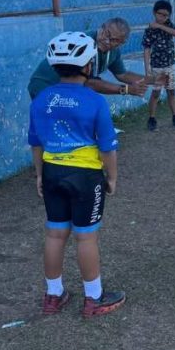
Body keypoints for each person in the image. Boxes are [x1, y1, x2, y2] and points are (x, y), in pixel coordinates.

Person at [28, 31, 126, 318]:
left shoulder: (41, 98)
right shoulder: (94, 100)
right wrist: (112, 177)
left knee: (55, 234)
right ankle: (94, 298)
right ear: (87, 65)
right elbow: (107, 147)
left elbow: (35, 142)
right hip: (85, 177)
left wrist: (39, 175)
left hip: (52, 171)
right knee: (85, 238)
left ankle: (53, 295)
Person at [27, 17, 156, 99]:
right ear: (102, 27)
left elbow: (123, 74)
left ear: (121, 43)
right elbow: (88, 82)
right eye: (106, 34)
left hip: (67, 89)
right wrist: (126, 89)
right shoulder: (84, 44)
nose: (106, 40)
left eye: (114, 40)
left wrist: (154, 80)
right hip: (45, 85)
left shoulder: (113, 52)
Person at [143, 0, 175, 131]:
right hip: (156, 67)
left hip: (170, 65)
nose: (162, 17)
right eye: (160, 14)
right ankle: (151, 118)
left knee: (171, 91)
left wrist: (160, 26)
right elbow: (146, 50)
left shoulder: (168, 25)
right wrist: (147, 69)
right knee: (156, 93)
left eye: (166, 15)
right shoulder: (149, 30)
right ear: (154, 13)